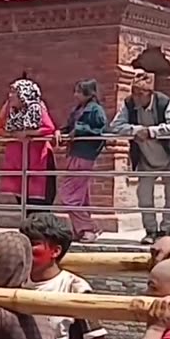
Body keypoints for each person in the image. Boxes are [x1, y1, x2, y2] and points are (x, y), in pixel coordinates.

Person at [110, 70, 170, 244]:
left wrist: (153, 132)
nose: (137, 98)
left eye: (140, 94)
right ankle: (151, 231)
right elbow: (115, 126)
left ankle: (165, 232)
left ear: (150, 93)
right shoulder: (129, 104)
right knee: (144, 196)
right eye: (134, 93)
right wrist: (135, 130)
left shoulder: (164, 103)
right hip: (147, 159)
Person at [58, 79, 108, 242]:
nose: (75, 95)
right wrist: (60, 132)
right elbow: (69, 127)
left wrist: (79, 131)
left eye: (79, 92)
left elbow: (101, 130)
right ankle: (79, 229)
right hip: (75, 152)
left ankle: (88, 227)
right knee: (80, 195)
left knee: (69, 195)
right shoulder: (78, 109)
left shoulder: (96, 110)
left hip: (85, 154)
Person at [0, 78, 57, 213]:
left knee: (38, 199)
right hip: (17, 158)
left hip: (38, 159)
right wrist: (12, 135)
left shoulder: (37, 108)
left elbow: (49, 128)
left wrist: (28, 133)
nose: (10, 95)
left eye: (14, 92)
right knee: (21, 196)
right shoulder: (9, 109)